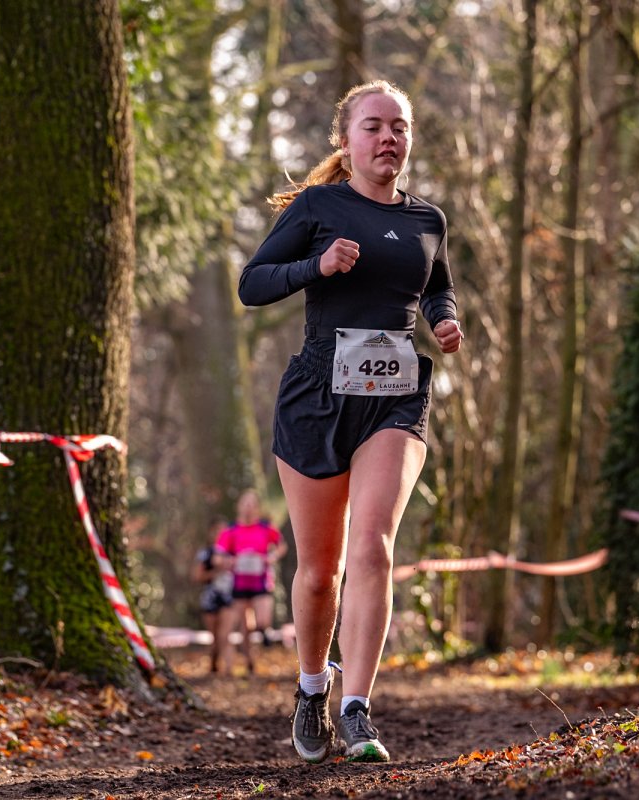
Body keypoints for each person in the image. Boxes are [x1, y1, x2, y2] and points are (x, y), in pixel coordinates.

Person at [238, 79, 463, 764]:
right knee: (318, 571)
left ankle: (357, 707)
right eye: (374, 126)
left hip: (394, 398)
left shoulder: (428, 219)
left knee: (374, 547)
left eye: (400, 127)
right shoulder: (318, 206)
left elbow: (437, 284)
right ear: (346, 140)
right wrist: (318, 265)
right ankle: (312, 688)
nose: (388, 137)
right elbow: (252, 283)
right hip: (317, 394)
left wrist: (444, 320)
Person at [214, 489, 288, 675]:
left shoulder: (265, 527)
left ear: (257, 508)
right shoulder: (230, 530)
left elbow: (281, 546)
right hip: (239, 584)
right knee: (244, 627)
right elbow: (217, 557)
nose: (248, 507)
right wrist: (229, 561)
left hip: (261, 582)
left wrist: (272, 557)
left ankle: (265, 632)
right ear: (238, 506)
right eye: (245, 503)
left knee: (262, 620)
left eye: (252, 504)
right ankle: (250, 662)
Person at [191, 517, 234, 673]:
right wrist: (217, 572)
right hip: (210, 597)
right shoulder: (205, 553)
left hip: (229, 598)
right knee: (215, 637)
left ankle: (229, 670)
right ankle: (214, 665)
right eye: (217, 531)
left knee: (225, 635)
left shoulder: (234, 552)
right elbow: (197, 576)